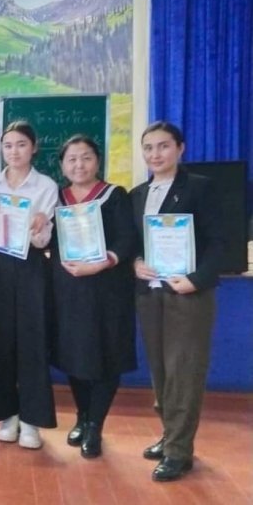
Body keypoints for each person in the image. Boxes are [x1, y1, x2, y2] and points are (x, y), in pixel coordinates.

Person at [131, 121, 224, 482]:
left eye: (163, 146)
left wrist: (196, 280)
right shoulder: (138, 194)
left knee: (184, 371)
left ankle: (179, 452)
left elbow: (220, 243)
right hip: (150, 294)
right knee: (160, 370)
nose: (155, 154)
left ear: (180, 148)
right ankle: (170, 433)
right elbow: (132, 244)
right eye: (148, 148)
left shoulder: (201, 187)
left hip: (188, 294)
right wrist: (135, 263)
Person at [50, 135, 137, 458]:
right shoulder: (57, 199)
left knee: (104, 355)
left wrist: (104, 262)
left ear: (97, 161)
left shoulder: (115, 196)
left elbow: (127, 240)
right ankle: (82, 416)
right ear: (62, 165)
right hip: (69, 290)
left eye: (86, 157)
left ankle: (96, 426)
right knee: (75, 355)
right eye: (72, 159)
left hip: (107, 290)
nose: (79, 165)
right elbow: (49, 242)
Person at [0, 120, 58, 449]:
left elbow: (44, 241)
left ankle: (31, 420)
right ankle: (6, 415)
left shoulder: (46, 186)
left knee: (32, 342)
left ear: (34, 148)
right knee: (1, 343)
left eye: (21, 144)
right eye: (8, 145)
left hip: (30, 267)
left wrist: (40, 225)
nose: (14, 151)